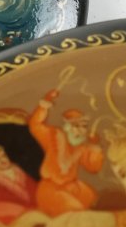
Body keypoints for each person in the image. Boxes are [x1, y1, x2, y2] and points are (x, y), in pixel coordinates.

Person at [28, 89, 104, 217]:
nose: (82, 130)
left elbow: (93, 167)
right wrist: (44, 105)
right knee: (76, 213)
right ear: (68, 127)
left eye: (84, 126)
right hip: (51, 190)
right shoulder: (53, 136)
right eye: (78, 126)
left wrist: (95, 147)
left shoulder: (82, 147)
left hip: (73, 187)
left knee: (97, 203)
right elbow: (35, 125)